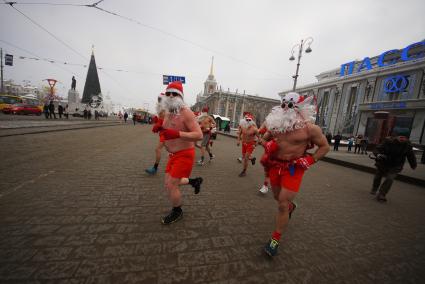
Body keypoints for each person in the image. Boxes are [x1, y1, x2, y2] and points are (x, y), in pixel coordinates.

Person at [261, 92, 329, 257]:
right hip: (275, 166)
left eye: (289, 105)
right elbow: (263, 138)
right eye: (283, 104)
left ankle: (275, 240)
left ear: (300, 108)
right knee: (278, 198)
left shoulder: (310, 129)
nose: (285, 108)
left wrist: (310, 160)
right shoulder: (275, 125)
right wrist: (268, 144)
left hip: (294, 168)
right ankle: (291, 207)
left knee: (282, 204)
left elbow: (325, 147)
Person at [157, 81, 203, 224]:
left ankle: (178, 211)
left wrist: (177, 134)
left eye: (175, 94)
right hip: (173, 155)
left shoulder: (186, 112)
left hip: (184, 154)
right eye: (168, 93)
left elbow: (199, 135)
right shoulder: (168, 112)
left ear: (181, 96)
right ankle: (194, 181)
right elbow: (166, 131)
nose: (171, 96)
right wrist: (160, 131)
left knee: (172, 185)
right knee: (168, 183)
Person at [370, 130, 417, 202]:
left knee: (390, 179)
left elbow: (411, 156)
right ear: (397, 136)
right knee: (377, 177)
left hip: (396, 165)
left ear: (407, 138)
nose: (402, 139)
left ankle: (382, 194)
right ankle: (374, 188)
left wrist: (413, 165)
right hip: (383, 163)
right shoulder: (388, 141)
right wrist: (378, 154)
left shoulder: (408, 145)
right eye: (401, 137)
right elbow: (377, 149)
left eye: (405, 137)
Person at [146, 94, 166, 175]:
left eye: (160, 99)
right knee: (171, 150)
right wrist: (157, 123)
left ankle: (155, 168)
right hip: (163, 133)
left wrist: (159, 125)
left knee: (158, 149)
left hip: (166, 133)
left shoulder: (164, 109)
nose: (158, 101)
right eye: (158, 99)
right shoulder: (161, 109)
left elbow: (167, 121)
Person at [237, 112, 258, 177]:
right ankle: (252, 158)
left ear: (252, 121)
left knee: (246, 158)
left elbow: (259, 137)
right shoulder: (242, 126)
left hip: (251, 144)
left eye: (249, 120)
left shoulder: (254, 129)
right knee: (244, 156)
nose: (248, 121)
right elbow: (240, 133)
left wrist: (256, 144)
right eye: (247, 120)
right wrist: (238, 141)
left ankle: (244, 171)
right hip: (244, 143)